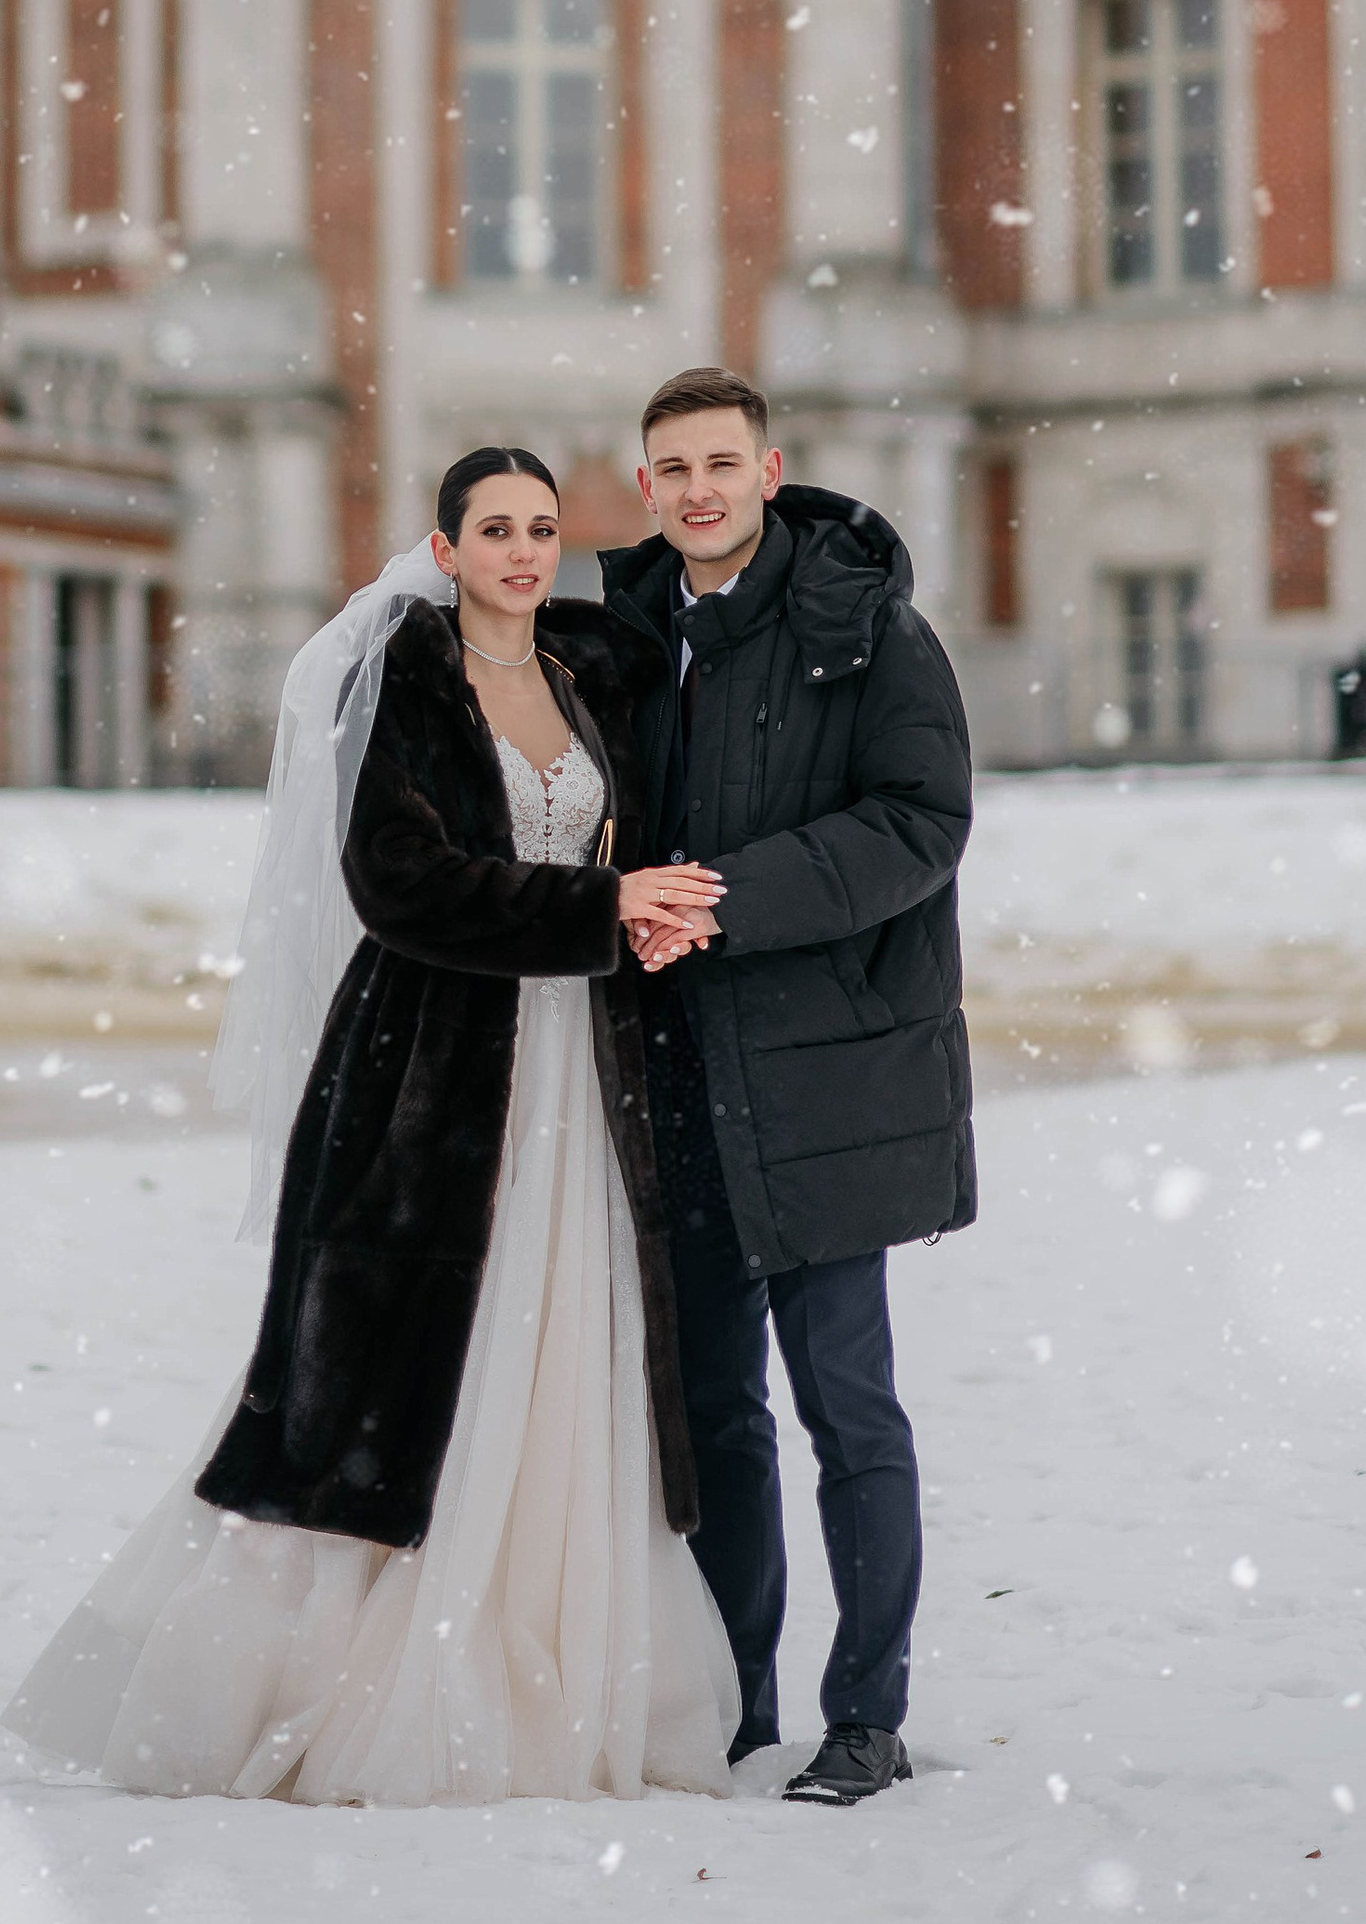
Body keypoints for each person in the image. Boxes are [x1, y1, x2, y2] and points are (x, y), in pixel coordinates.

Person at [2, 445, 741, 1804]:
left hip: (577, 1067)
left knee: (564, 1343)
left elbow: (617, 850)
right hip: (432, 1070)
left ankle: (549, 1667)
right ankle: (321, 1681)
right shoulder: (406, 674)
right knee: (390, 1373)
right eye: (492, 529)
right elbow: (398, 879)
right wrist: (597, 907)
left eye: (538, 527)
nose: (522, 550)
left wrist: (648, 911)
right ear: (445, 547)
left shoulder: (586, 679)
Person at [600, 365, 975, 1810]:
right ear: (645, 487)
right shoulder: (628, 637)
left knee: (847, 1404)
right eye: (672, 466)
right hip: (678, 1073)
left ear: (771, 466)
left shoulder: (865, 625)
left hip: (829, 1077)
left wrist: (726, 897)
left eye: (721, 460)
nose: (698, 486)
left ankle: (865, 1715)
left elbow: (922, 821)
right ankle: (736, 1701)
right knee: (711, 1409)